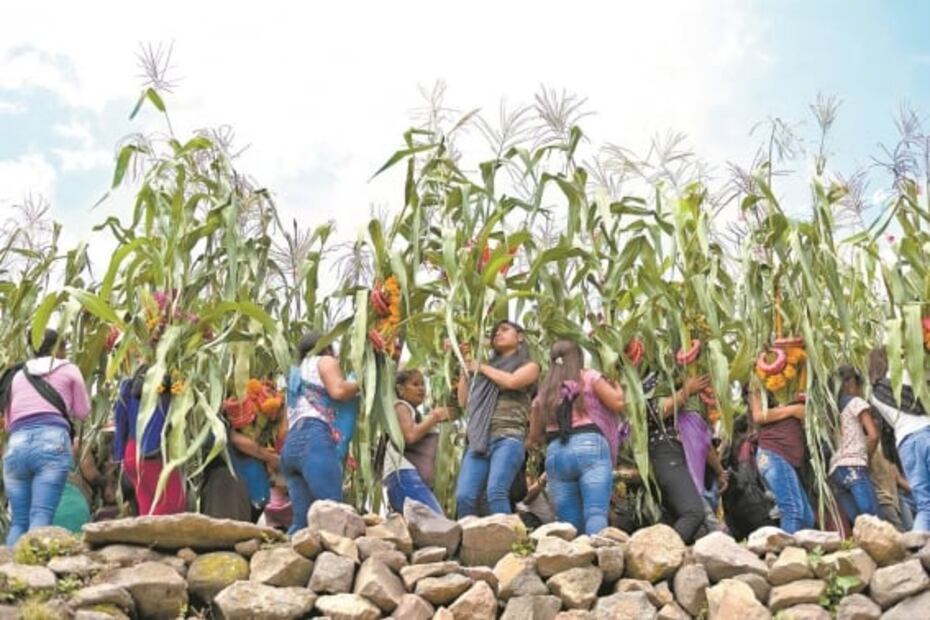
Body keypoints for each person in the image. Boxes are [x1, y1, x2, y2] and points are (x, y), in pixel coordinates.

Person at [1, 329, 91, 545]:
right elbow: (83, 412)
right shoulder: (69, 369)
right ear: (58, 348)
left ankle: (7, 575)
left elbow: (9, 419)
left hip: (16, 447)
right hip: (51, 444)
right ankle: (33, 576)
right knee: (40, 515)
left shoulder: (17, 375)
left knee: (19, 522)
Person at [529, 339, 624, 534]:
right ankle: (597, 561)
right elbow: (617, 403)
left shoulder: (545, 389)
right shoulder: (589, 376)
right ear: (579, 358)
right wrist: (618, 387)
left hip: (556, 453)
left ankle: (575, 561)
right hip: (590, 446)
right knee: (596, 513)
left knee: (569, 523)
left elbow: (534, 435)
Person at [455, 320, 540, 517]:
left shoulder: (530, 366)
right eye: (495, 333)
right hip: (479, 440)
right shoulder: (485, 369)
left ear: (520, 337)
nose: (498, 334)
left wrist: (481, 368)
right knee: (464, 496)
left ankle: (510, 545)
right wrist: (464, 366)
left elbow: (512, 382)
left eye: (504, 330)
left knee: (496, 492)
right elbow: (463, 401)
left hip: (508, 438)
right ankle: (468, 544)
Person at [282, 331, 359, 534]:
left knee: (301, 523)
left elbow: (283, 426)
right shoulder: (324, 360)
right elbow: (339, 391)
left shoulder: (293, 376)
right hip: (314, 440)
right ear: (326, 346)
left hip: (290, 447)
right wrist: (365, 380)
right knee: (333, 512)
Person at [647, 373, 716, 543]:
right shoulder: (656, 378)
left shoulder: (693, 392)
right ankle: (663, 555)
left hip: (686, 458)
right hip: (666, 452)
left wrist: (720, 471)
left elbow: (704, 440)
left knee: (699, 524)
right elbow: (655, 412)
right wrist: (687, 391)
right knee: (693, 512)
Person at [868, 347, 930, 531]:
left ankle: (918, 548)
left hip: (905, 444)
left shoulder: (874, 393)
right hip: (926, 432)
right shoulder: (905, 374)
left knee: (925, 505)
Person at [113, 365, 186, 515]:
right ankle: (151, 534)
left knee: (147, 504)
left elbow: (120, 419)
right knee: (173, 501)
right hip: (151, 453)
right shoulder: (163, 383)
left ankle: (146, 536)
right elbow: (179, 393)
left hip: (131, 452)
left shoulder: (130, 383)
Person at [381, 368, 450, 515]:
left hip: (405, 479)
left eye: (423, 384)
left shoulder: (414, 412)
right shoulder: (401, 407)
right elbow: (410, 436)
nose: (421, 389)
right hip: (404, 477)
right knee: (437, 523)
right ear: (400, 389)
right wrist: (434, 418)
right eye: (415, 384)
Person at [750, 385, 814, 533]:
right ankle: (789, 555)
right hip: (774, 453)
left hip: (786, 459)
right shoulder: (760, 379)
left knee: (806, 517)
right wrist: (793, 410)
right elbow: (758, 415)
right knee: (792, 510)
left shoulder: (797, 379)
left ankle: (801, 553)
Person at [828, 365, 880, 524]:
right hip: (854, 465)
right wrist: (868, 458)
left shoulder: (831, 411)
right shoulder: (856, 402)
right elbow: (873, 436)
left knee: (858, 522)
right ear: (850, 383)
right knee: (873, 520)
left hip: (835, 471)